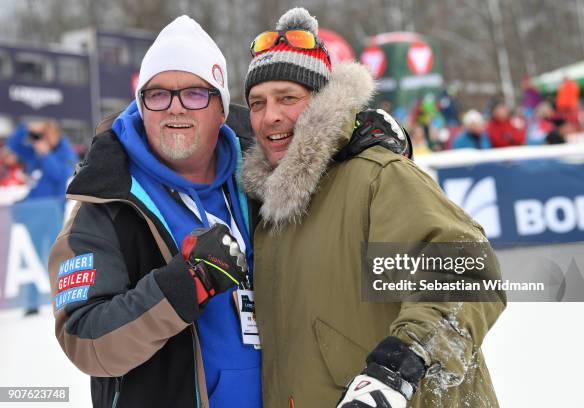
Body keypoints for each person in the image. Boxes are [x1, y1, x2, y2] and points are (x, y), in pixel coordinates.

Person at [241, 7, 506, 408]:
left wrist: (400, 366)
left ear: (322, 102)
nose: (269, 116)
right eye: (257, 103)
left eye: (287, 98)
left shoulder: (376, 178)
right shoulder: (266, 210)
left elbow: (467, 272)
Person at [48, 16, 261, 407]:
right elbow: (85, 341)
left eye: (195, 93)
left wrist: (358, 148)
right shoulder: (107, 206)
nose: (174, 108)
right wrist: (183, 286)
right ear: (142, 106)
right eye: (158, 94)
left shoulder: (263, 179)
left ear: (221, 109)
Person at [7, 120, 77, 315]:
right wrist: (26, 127)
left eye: (47, 134)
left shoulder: (65, 152)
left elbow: (59, 176)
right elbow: (13, 144)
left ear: (55, 134)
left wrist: (46, 154)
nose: (44, 139)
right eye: (41, 135)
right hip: (33, 214)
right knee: (31, 258)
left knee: (57, 258)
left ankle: (65, 300)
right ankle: (31, 302)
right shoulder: (35, 154)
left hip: (52, 214)